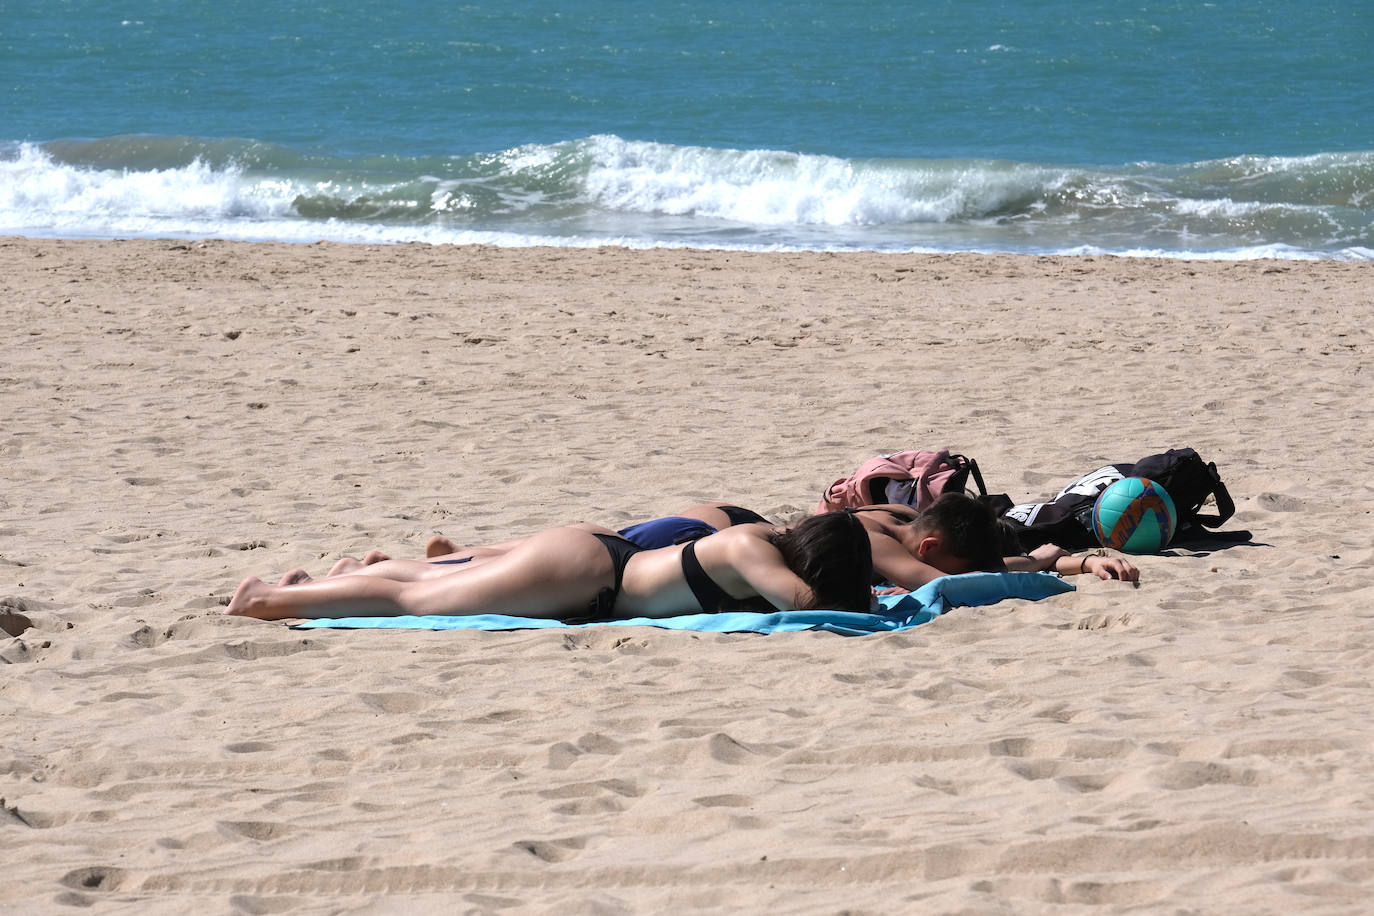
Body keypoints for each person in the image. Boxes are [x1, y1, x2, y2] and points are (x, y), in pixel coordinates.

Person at [225, 511, 875, 622]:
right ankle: (262, 599)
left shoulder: (761, 540)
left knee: (432, 581)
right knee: (414, 603)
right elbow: (805, 607)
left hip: (596, 559)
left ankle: (332, 579)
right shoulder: (750, 551)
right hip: (592, 575)